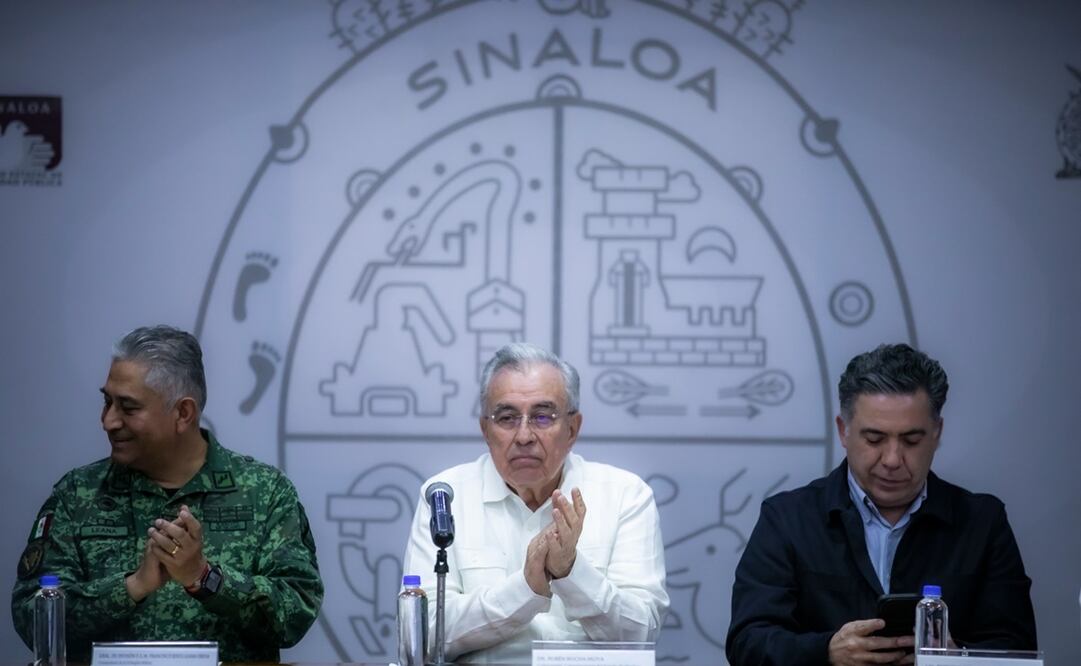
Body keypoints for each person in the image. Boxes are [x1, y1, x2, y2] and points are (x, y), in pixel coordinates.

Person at [11, 325, 323, 662]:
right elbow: (32, 618)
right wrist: (131, 587)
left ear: (183, 413)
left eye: (128, 408)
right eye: (107, 402)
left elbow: (295, 614)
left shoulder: (265, 493)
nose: (108, 421)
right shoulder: (77, 495)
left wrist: (205, 578)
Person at [726, 343, 1037, 665]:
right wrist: (826, 652)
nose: (892, 459)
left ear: (937, 433)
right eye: (874, 439)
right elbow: (747, 643)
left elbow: (1017, 648)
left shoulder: (982, 522)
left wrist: (956, 657)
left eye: (911, 441)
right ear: (843, 431)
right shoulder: (788, 519)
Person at [402, 342, 669, 663]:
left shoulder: (625, 494)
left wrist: (571, 571)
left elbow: (641, 634)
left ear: (573, 428)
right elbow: (423, 634)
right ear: (485, 430)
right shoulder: (446, 495)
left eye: (543, 417)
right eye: (507, 418)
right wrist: (525, 588)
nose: (525, 435)